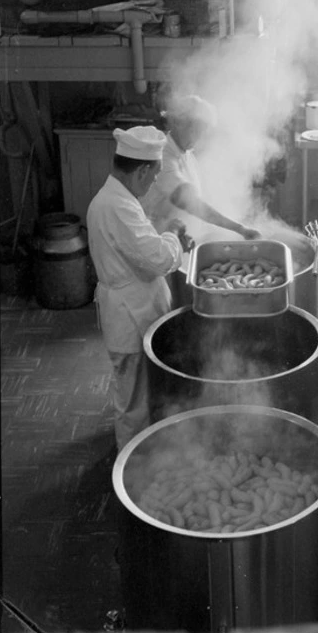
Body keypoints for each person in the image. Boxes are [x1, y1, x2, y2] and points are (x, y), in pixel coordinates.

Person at [87, 126, 194, 450]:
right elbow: (157, 260)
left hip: (133, 307)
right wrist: (172, 233)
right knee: (133, 400)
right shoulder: (118, 206)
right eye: (153, 177)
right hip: (129, 313)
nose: (152, 185)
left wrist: (168, 236)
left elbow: (139, 244)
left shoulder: (117, 199)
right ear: (143, 170)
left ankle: (143, 452)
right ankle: (133, 467)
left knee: (139, 390)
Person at [141, 94, 260, 241]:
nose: (201, 137)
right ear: (179, 123)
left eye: (204, 131)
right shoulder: (163, 156)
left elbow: (200, 197)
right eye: (197, 130)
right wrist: (239, 228)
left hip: (181, 242)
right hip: (159, 243)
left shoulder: (187, 154)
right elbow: (190, 202)